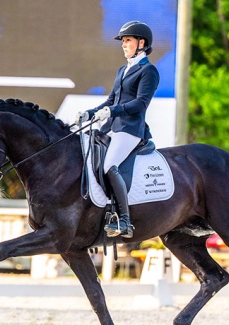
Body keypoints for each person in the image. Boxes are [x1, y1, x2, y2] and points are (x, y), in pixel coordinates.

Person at [75, 21, 160, 239]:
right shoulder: (123, 69)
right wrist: (92, 113)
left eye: (128, 40)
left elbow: (141, 103)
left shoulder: (148, 71)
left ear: (142, 43)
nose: (124, 45)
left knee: (109, 165)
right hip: (112, 127)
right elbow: (111, 99)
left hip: (130, 129)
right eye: (123, 41)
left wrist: (113, 111)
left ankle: (124, 220)